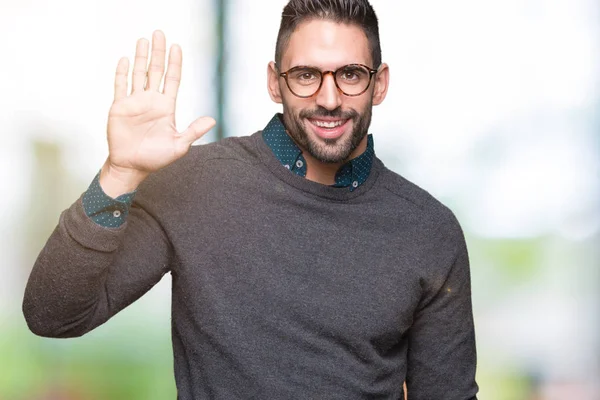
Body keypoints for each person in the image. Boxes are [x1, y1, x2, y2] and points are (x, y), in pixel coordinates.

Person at [23, 0, 479, 399]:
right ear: (274, 83)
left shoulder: (429, 231)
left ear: (379, 84)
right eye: (305, 75)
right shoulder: (194, 183)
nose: (328, 97)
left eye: (351, 75)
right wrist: (119, 175)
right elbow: (53, 315)